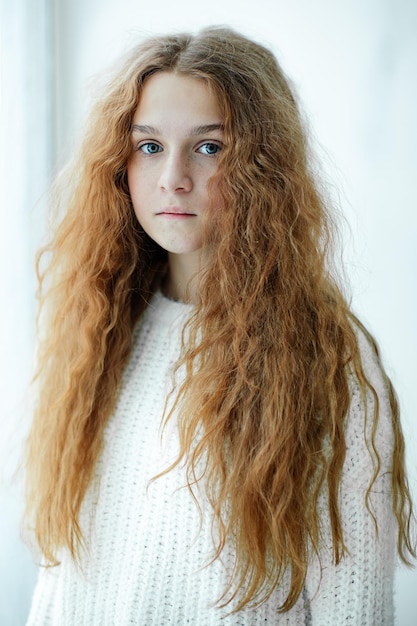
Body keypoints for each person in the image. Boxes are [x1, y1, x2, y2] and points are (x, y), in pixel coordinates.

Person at [24, 27, 415, 625]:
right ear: (119, 162)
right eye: (149, 146)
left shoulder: (330, 361)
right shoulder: (99, 332)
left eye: (209, 148)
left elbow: (354, 608)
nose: (173, 178)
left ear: (263, 166)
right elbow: (62, 583)